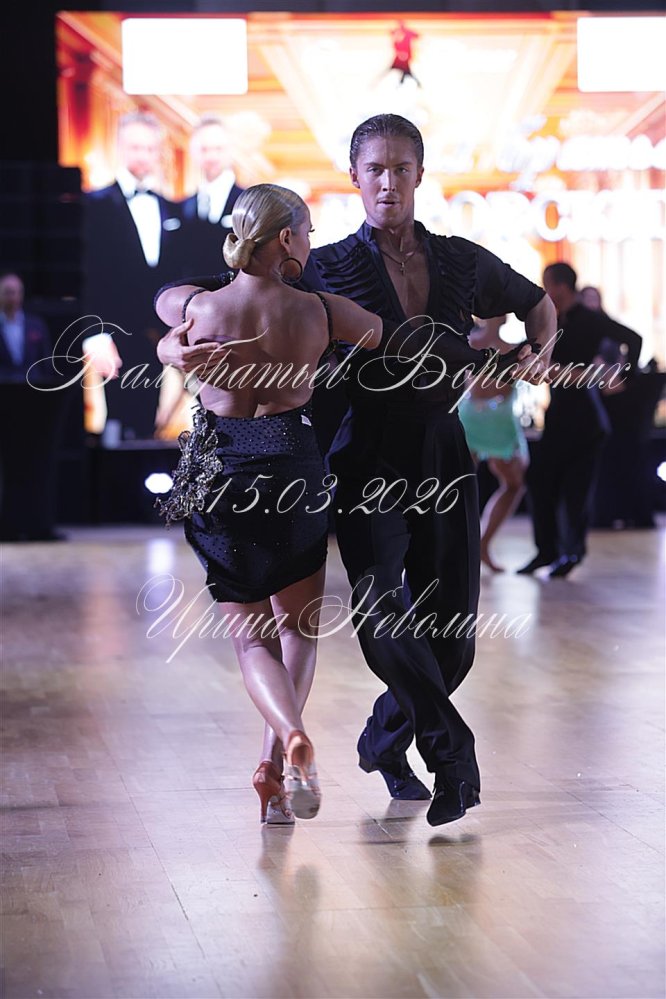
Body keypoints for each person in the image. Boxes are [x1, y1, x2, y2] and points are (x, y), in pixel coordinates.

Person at [156, 114, 555, 827]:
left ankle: (378, 739)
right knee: (369, 613)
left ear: (420, 174)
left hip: (438, 450)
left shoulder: (461, 260)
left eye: (401, 168)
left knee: (451, 640)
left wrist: (537, 351)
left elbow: (537, 306)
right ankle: (451, 756)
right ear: (355, 177)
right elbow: (204, 290)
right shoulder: (323, 271)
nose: (388, 182)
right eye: (376, 169)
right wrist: (171, 331)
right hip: (361, 454)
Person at [155, 184, 382, 824]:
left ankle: (287, 743)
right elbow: (381, 335)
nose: (310, 243)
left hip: (221, 471)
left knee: (252, 642)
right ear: (286, 238)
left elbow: (165, 299)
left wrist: (171, 345)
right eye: (306, 232)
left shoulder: (200, 309)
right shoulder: (320, 310)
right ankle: (278, 764)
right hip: (293, 469)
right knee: (299, 631)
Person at [518, 263, 642, 577]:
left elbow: (633, 339)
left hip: (585, 419)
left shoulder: (590, 319)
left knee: (574, 490)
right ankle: (547, 551)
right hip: (560, 415)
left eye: (547, 284)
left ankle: (571, 553)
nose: (545, 290)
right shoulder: (553, 318)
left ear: (560, 286)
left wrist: (624, 377)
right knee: (540, 481)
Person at [82, 111, 185, 439]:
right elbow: (88, 275)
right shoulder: (92, 205)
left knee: (150, 429)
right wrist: (94, 334)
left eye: (149, 148)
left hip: (160, 337)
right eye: (135, 147)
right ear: (120, 149)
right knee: (115, 430)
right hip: (110, 333)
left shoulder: (172, 209)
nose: (142, 155)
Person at [458, 316, 529, 572]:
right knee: (462, 484)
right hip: (484, 418)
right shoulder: (480, 344)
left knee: (511, 483)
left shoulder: (502, 347)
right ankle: (472, 546)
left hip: (492, 418)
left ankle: (479, 545)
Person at [0, 273, 68, 541]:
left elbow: (44, 364)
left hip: (33, 406)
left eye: (16, 292)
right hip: (4, 404)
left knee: (36, 466)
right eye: (7, 292)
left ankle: (38, 523)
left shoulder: (35, 324)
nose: (13, 297)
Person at [179, 116, 245, 273]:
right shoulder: (183, 207)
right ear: (193, 152)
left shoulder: (248, 202)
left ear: (231, 150)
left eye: (218, 149)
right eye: (204, 149)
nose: (211, 157)